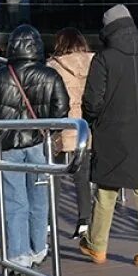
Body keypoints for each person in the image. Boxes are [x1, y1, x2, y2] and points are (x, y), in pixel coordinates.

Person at [0, 25, 70, 276]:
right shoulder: (50, 75)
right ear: (38, 47)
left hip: (7, 146)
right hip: (39, 145)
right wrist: (46, 130)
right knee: (39, 198)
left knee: (14, 202)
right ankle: (38, 249)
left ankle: (18, 259)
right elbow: (61, 110)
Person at [80, 5, 138, 267]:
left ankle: (97, 246)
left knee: (107, 190)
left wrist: (94, 119)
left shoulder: (104, 59)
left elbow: (92, 102)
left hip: (111, 132)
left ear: (108, 30)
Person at [46, 27, 94, 239]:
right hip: (85, 126)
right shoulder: (94, 63)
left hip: (62, 125)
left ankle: (49, 223)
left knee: (55, 176)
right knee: (82, 178)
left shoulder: (54, 66)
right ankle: (85, 221)